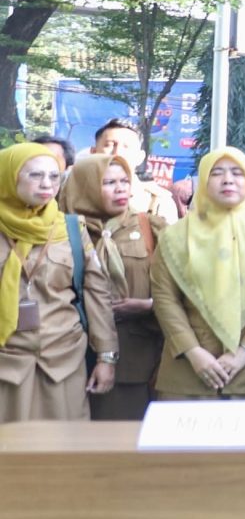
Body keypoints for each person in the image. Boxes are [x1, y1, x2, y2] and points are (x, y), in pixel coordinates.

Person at [148, 148, 245, 402]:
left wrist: (244, 351)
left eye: (237, 173)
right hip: (188, 371)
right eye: (217, 173)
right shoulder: (175, 236)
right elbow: (164, 297)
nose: (228, 180)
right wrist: (193, 352)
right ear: (202, 180)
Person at [0, 143, 115, 421]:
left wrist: (107, 357)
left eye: (54, 176)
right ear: (8, 176)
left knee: (64, 451)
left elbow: (96, 294)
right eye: (35, 175)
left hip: (63, 359)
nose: (46, 184)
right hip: (6, 361)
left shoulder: (72, 228)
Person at [61, 154, 166, 420]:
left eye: (125, 181)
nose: (120, 189)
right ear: (85, 186)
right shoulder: (60, 230)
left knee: (122, 445)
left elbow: (178, 292)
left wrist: (149, 306)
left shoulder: (149, 227)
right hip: (68, 355)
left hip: (133, 356)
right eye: (108, 182)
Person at [93, 119, 181, 225]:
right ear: (94, 153)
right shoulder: (74, 197)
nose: (117, 153)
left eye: (126, 147)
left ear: (140, 157)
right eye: (110, 145)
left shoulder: (158, 202)